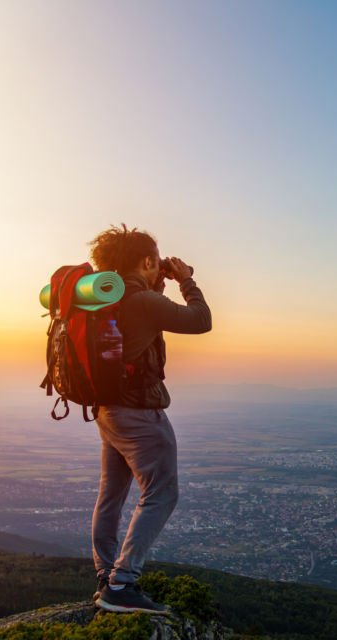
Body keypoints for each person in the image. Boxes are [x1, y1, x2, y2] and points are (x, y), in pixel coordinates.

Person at [86, 224, 211, 614]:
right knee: (162, 492)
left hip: (108, 411)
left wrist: (157, 280)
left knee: (111, 496)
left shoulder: (108, 297)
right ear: (145, 261)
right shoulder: (140, 303)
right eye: (154, 262)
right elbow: (200, 320)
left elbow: (141, 321)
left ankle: (106, 574)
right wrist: (187, 281)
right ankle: (122, 584)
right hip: (139, 414)